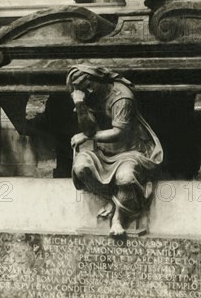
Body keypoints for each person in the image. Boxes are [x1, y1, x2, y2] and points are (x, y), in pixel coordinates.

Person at [67, 65, 163, 235]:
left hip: (131, 153)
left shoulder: (122, 98)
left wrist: (87, 137)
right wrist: (79, 104)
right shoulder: (88, 97)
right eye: (83, 89)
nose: (87, 91)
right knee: (80, 168)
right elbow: (88, 128)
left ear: (100, 79)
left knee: (125, 178)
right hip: (102, 154)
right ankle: (113, 199)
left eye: (90, 85)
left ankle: (117, 218)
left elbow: (119, 133)